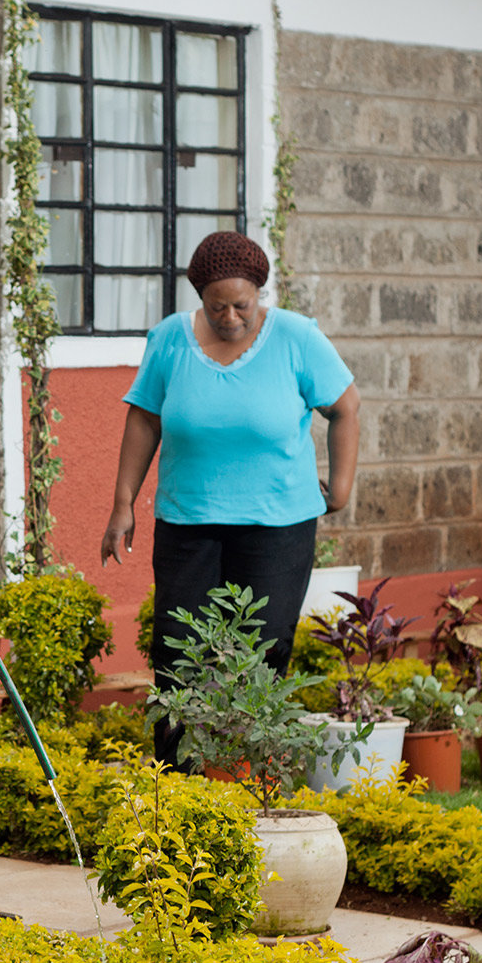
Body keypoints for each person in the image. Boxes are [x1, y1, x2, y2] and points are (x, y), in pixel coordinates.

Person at [100, 231, 360, 766]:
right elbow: (145, 419)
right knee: (178, 651)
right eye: (217, 306)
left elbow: (346, 406)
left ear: (259, 293)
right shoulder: (171, 338)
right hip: (188, 522)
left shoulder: (296, 337)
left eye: (241, 304)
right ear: (200, 297)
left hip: (278, 528)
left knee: (263, 653)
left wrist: (340, 488)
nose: (230, 317)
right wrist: (123, 503)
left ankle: (252, 773)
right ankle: (179, 782)